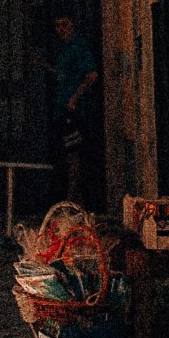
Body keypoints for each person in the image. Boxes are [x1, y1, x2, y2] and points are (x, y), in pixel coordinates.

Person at [51, 14, 99, 201]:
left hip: (73, 110)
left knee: (74, 153)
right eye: (57, 26)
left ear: (73, 25)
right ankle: (72, 196)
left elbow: (92, 75)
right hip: (62, 109)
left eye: (64, 24)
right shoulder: (64, 50)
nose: (60, 29)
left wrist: (74, 98)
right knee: (67, 153)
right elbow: (64, 75)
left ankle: (73, 198)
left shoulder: (79, 47)